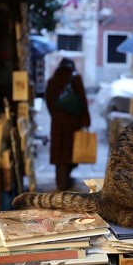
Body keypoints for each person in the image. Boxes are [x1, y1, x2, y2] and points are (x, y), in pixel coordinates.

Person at [45, 58, 91, 190]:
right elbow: (83, 100)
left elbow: (49, 103)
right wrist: (86, 119)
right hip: (73, 124)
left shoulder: (52, 81)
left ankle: (61, 182)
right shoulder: (75, 79)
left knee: (59, 156)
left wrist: (55, 116)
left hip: (58, 125)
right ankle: (65, 180)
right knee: (71, 153)